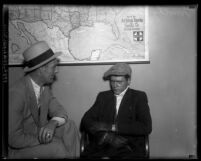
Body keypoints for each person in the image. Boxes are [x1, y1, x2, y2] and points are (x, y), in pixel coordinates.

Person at [8, 41, 80, 159]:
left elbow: (60, 110)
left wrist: (53, 123)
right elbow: (14, 139)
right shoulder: (16, 93)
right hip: (18, 148)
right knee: (58, 148)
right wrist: (44, 138)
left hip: (36, 133)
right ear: (42, 69)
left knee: (69, 127)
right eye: (54, 67)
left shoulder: (44, 87)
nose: (56, 71)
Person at [80, 62, 152, 159]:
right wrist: (106, 136)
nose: (115, 85)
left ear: (128, 81)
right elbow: (86, 120)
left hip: (128, 146)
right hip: (103, 144)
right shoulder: (103, 96)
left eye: (119, 82)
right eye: (112, 81)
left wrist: (113, 127)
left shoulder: (139, 97)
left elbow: (146, 126)